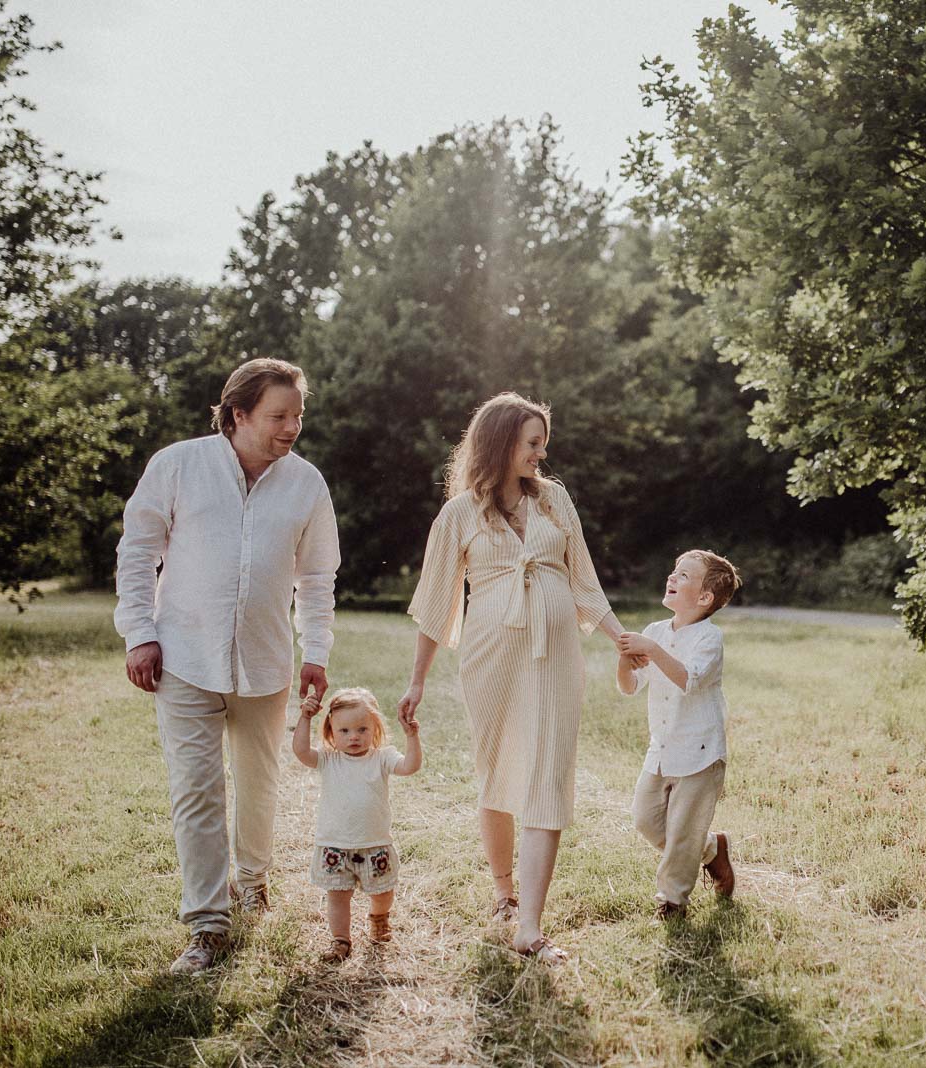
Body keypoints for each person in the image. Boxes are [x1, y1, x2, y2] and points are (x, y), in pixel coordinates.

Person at [114, 357, 340, 975]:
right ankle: (207, 925)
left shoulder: (306, 484)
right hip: (182, 657)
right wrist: (140, 633)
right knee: (196, 791)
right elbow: (137, 553)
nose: (292, 427)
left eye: (298, 414)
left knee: (260, 784)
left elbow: (317, 577)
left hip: (266, 664)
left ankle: (254, 880)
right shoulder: (177, 465)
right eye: (278, 416)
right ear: (237, 414)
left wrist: (315, 650)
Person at [398, 392, 625, 963]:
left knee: (548, 771)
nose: (541, 452)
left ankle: (530, 924)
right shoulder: (458, 514)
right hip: (490, 656)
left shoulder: (556, 501)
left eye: (542, 441)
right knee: (497, 767)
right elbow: (435, 602)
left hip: (555, 658)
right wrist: (417, 681)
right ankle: (504, 892)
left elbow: (585, 583)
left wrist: (622, 639)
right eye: (531, 442)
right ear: (500, 444)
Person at [616, 550, 740, 919]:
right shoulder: (655, 631)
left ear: (704, 598)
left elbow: (688, 679)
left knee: (683, 831)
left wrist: (651, 650)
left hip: (700, 753)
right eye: (674, 571)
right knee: (646, 819)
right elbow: (629, 687)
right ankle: (712, 851)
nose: (672, 577)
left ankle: (672, 901)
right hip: (662, 748)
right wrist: (625, 662)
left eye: (683, 575)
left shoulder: (709, 638)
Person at [293, 686, 422, 962]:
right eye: (344, 731)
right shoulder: (329, 758)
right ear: (331, 732)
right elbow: (302, 752)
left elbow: (410, 766)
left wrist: (412, 736)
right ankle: (340, 939)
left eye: (362, 729)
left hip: (374, 844)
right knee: (338, 896)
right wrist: (305, 718)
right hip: (334, 846)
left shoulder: (382, 757)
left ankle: (379, 916)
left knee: (383, 892)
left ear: (374, 728)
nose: (353, 737)